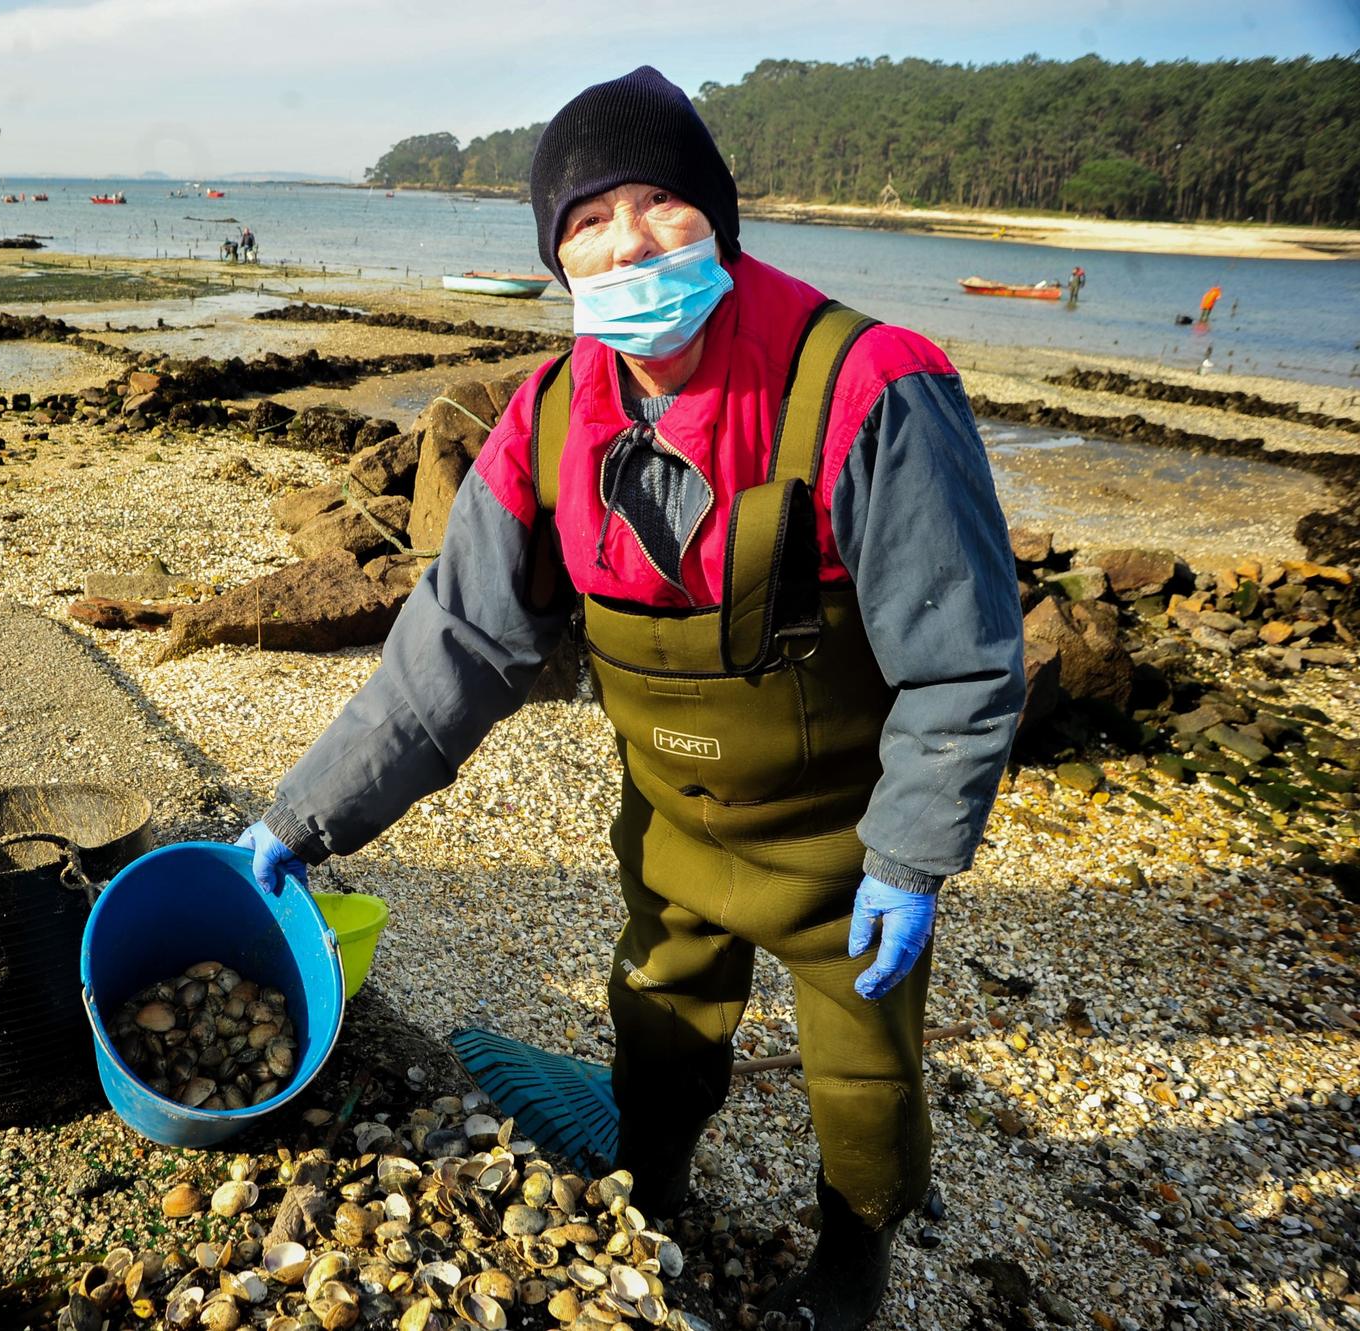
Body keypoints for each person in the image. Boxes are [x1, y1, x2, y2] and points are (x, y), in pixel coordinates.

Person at [235, 66, 1024, 1330]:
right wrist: (302, 816)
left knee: (862, 1068)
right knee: (654, 1016)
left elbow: (965, 656)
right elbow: (454, 643)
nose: (627, 242)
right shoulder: (546, 418)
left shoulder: (869, 387)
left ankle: (852, 1248)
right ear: (555, 256)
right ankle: (649, 1180)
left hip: (841, 837)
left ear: (717, 215)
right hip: (669, 816)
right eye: (586, 220)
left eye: (659, 202)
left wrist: (913, 852)